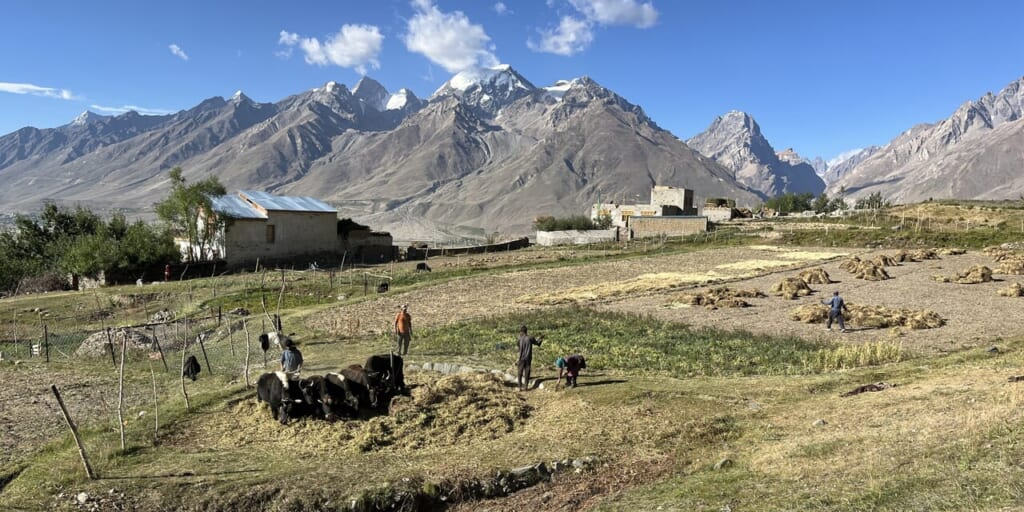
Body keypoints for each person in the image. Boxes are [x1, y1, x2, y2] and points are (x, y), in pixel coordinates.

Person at [516, 325, 543, 391]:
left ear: (521, 331)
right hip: (528, 358)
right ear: (526, 331)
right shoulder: (530, 338)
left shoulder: (519, 338)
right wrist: (541, 339)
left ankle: (519, 387)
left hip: (521, 358)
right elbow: (538, 344)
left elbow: (518, 346)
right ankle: (526, 387)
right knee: (527, 372)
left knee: (520, 372)